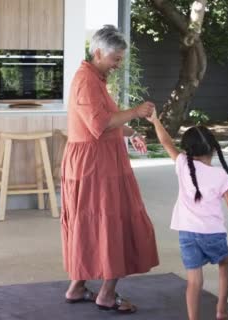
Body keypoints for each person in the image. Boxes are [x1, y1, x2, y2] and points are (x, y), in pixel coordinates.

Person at [61, 25, 160, 314]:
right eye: (115, 59)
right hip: (96, 166)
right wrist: (137, 111)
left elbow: (108, 120)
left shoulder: (94, 78)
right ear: (98, 52)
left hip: (98, 161)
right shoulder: (87, 82)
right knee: (112, 223)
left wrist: (131, 132)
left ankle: (77, 287)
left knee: (91, 223)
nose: (118, 65)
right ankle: (105, 294)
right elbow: (99, 125)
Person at [146, 109, 228, 320]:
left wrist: (155, 121)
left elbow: (166, 143)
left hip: (186, 232)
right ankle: (221, 310)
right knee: (226, 263)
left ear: (188, 150)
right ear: (213, 148)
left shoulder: (182, 164)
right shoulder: (220, 175)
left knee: (194, 281)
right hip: (212, 233)